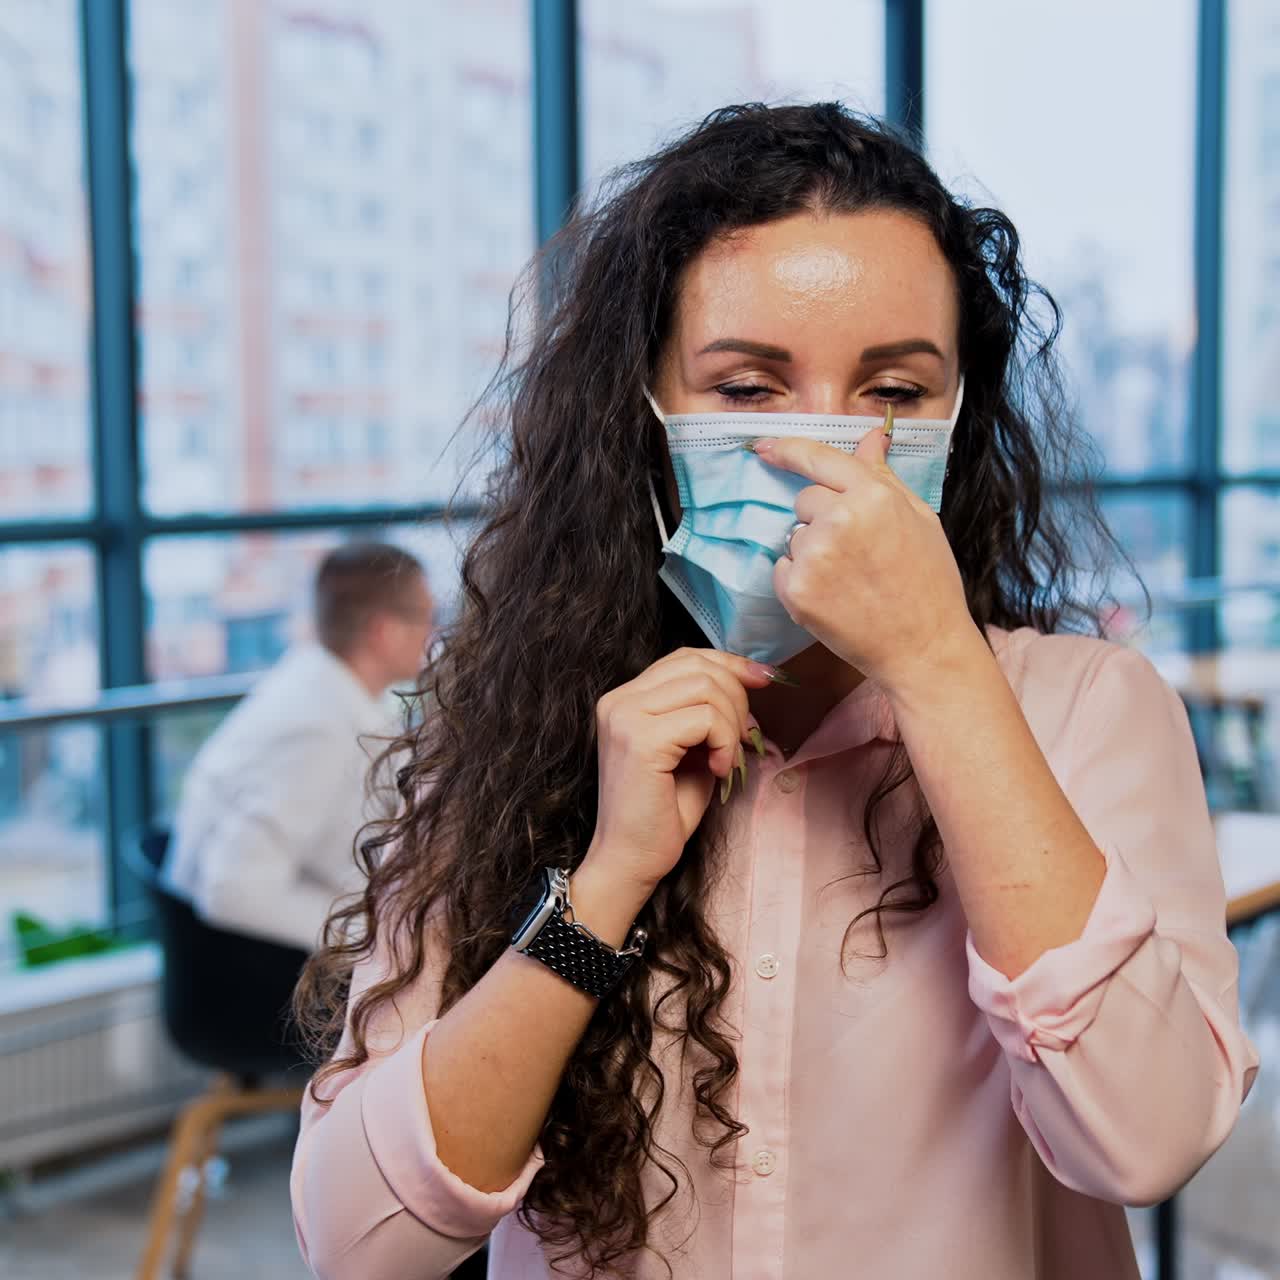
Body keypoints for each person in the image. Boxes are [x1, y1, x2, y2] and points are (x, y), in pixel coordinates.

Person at [289, 104, 1260, 1280]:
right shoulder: (518, 729)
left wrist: (940, 668)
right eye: (748, 388)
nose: (831, 447)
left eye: (893, 392)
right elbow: (357, 1241)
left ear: (955, 419)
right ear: (641, 413)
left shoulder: (1088, 709)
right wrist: (602, 889)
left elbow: (1147, 1139)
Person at [164, 541, 433, 952]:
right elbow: (234, 890)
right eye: (426, 618)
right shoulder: (316, 728)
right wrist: (388, 943)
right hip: (266, 976)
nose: (433, 635)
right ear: (384, 630)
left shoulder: (317, 684)